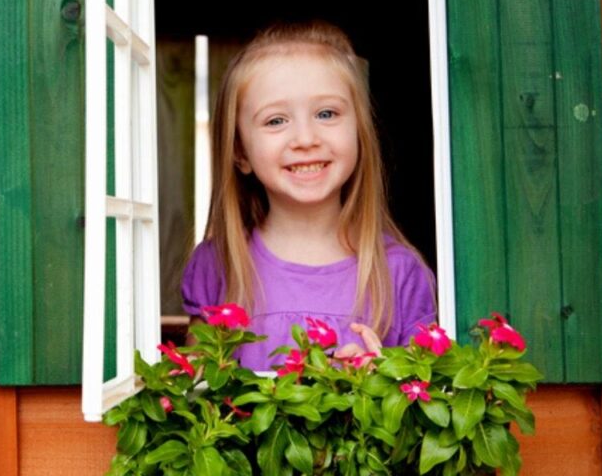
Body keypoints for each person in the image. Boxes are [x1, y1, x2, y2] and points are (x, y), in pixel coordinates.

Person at [182, 20, 437, 371]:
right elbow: (193, 398)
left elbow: (425, 404)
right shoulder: (218, 264)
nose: (305, 138)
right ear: (240, 152)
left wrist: (383, 377)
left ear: (360, 134)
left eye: (326, 113)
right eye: (275, 121)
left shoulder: (400, 272)